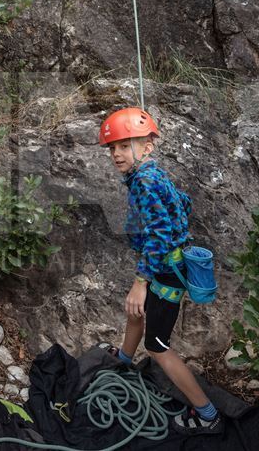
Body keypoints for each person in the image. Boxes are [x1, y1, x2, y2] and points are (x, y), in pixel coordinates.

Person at [98, 107, 222, 433]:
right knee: (136, 312)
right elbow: (183, 203)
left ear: (147, 147)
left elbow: (160, 234)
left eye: (125, 145)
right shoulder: (152, 174)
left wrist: (141, 280)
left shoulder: (144, 183)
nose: (116, 153)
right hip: (165, 265)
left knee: (157, 347)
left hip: (165, 272)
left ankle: (207, 414)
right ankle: (124, 359)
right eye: (112, 147)